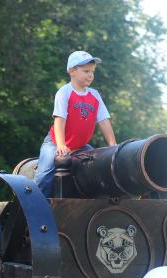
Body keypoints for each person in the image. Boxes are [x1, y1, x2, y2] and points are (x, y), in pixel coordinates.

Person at [34, 50, 116, 198]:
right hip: (55, 142)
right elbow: (59, 120)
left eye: (92, 71)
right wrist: (60, 145)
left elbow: (104, 121)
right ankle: (37, 206)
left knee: (96, 166)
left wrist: (113, 145)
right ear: (72, 71)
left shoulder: (94, 95)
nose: (90, 75)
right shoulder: (64, 92)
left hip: (80, 146)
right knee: (44, 173)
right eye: (86, 71)